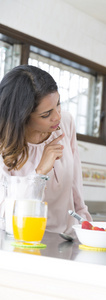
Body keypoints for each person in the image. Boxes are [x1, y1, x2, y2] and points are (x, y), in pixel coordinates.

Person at [0, 65, 92, 235]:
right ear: (22, 116)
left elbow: (75, 186)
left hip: (66, 237)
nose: (56, 116)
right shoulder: (3, 146)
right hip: (21, 240)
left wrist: (86, 226)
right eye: (46, 114)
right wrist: (40, 171)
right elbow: (6, 214)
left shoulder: (65, 122)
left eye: (58, 104)